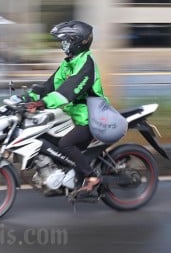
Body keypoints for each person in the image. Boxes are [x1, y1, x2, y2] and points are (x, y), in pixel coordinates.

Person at [25, 20, 109, 192]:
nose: (62, 45)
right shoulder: (69, 63)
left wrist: (43, 103)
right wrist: (28, 98)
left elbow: (69, 90)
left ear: (77, 42)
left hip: (90, 117)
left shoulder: (86, 65)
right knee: (48, 139)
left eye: (66, 41)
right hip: (74, 116)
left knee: (66, 144)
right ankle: (65, 175)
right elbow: (51, 85)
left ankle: (91, 176)